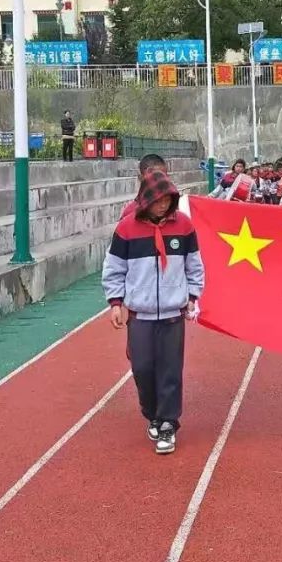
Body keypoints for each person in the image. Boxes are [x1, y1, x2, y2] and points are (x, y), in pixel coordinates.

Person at [102, 170, 205, 455]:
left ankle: (168, 423)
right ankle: (152, 414)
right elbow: (114, 269)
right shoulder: (126, 229)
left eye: (168, 199)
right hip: (140, 315)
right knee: (143, 369)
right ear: (146, 199)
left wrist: (192, 296)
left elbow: (194, 265)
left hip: (173, 314)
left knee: (171, 370)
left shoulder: (184, 226)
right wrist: (115, 303)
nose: (163, 205)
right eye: (158, 200)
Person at [120, 154, 169, 218]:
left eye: (162, 177)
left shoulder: (171, 209)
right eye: (154, 178)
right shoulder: (130, 212)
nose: (159, 182)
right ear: (141, 178)